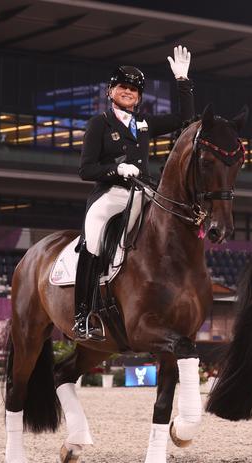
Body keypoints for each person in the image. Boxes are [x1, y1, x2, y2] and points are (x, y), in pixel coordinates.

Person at [74, 46, 195, 341]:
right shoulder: (99, 124)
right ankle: (82, 315)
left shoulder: (144, 124)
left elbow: (186, 119)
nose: (128, 92)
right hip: (110, 195)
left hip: (144, 193)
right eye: (122, 87)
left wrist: (183, 81)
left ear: (139, 96)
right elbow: (86, 170)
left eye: (133, 89)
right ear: (111, 91)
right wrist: (117, 170)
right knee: (93, 241)